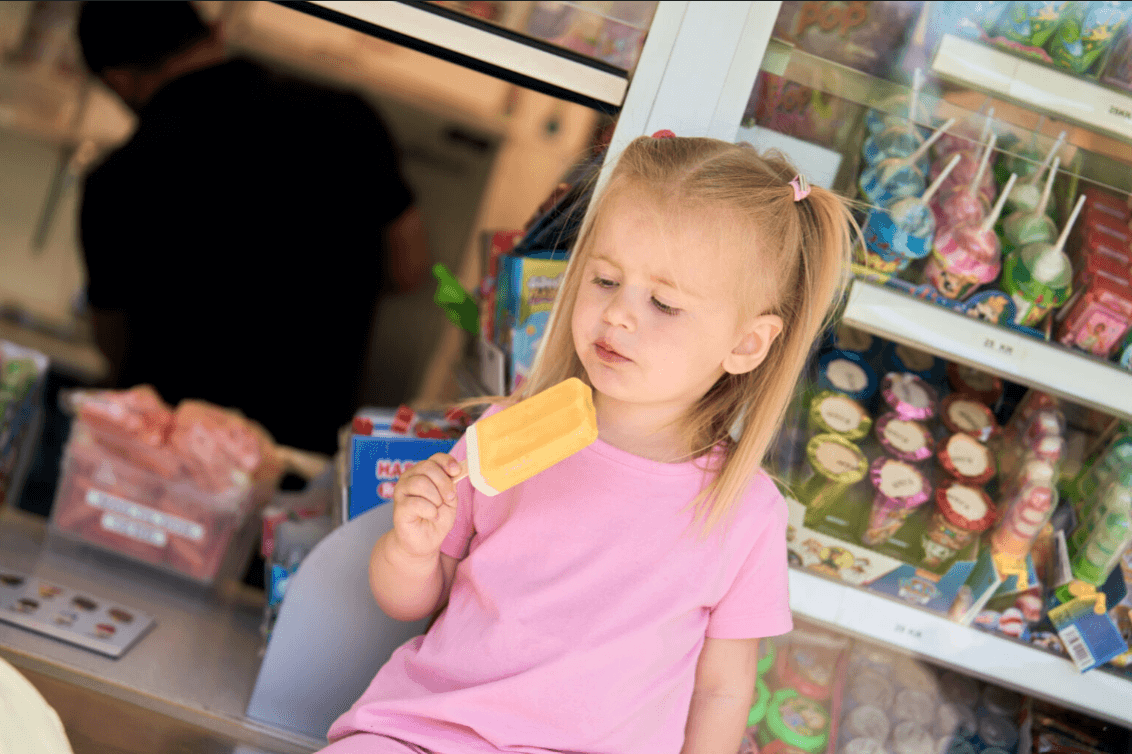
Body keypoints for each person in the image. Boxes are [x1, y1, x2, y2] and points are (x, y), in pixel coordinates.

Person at [321, 134, 856, 753]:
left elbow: (722, 692)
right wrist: (410, 546)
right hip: (429, 735)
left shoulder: (745, 512)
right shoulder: (503, 434)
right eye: (604, 279)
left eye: (662, 302)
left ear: (746, 344)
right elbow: (406, 599)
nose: (619, 314)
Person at [75, 2, 430, 456]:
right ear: (216, 32)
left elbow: (113, 341)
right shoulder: (347, 119)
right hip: (299, 452)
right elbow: (409, 268)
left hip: (165, 462)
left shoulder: (116, 180)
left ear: (117, 79)